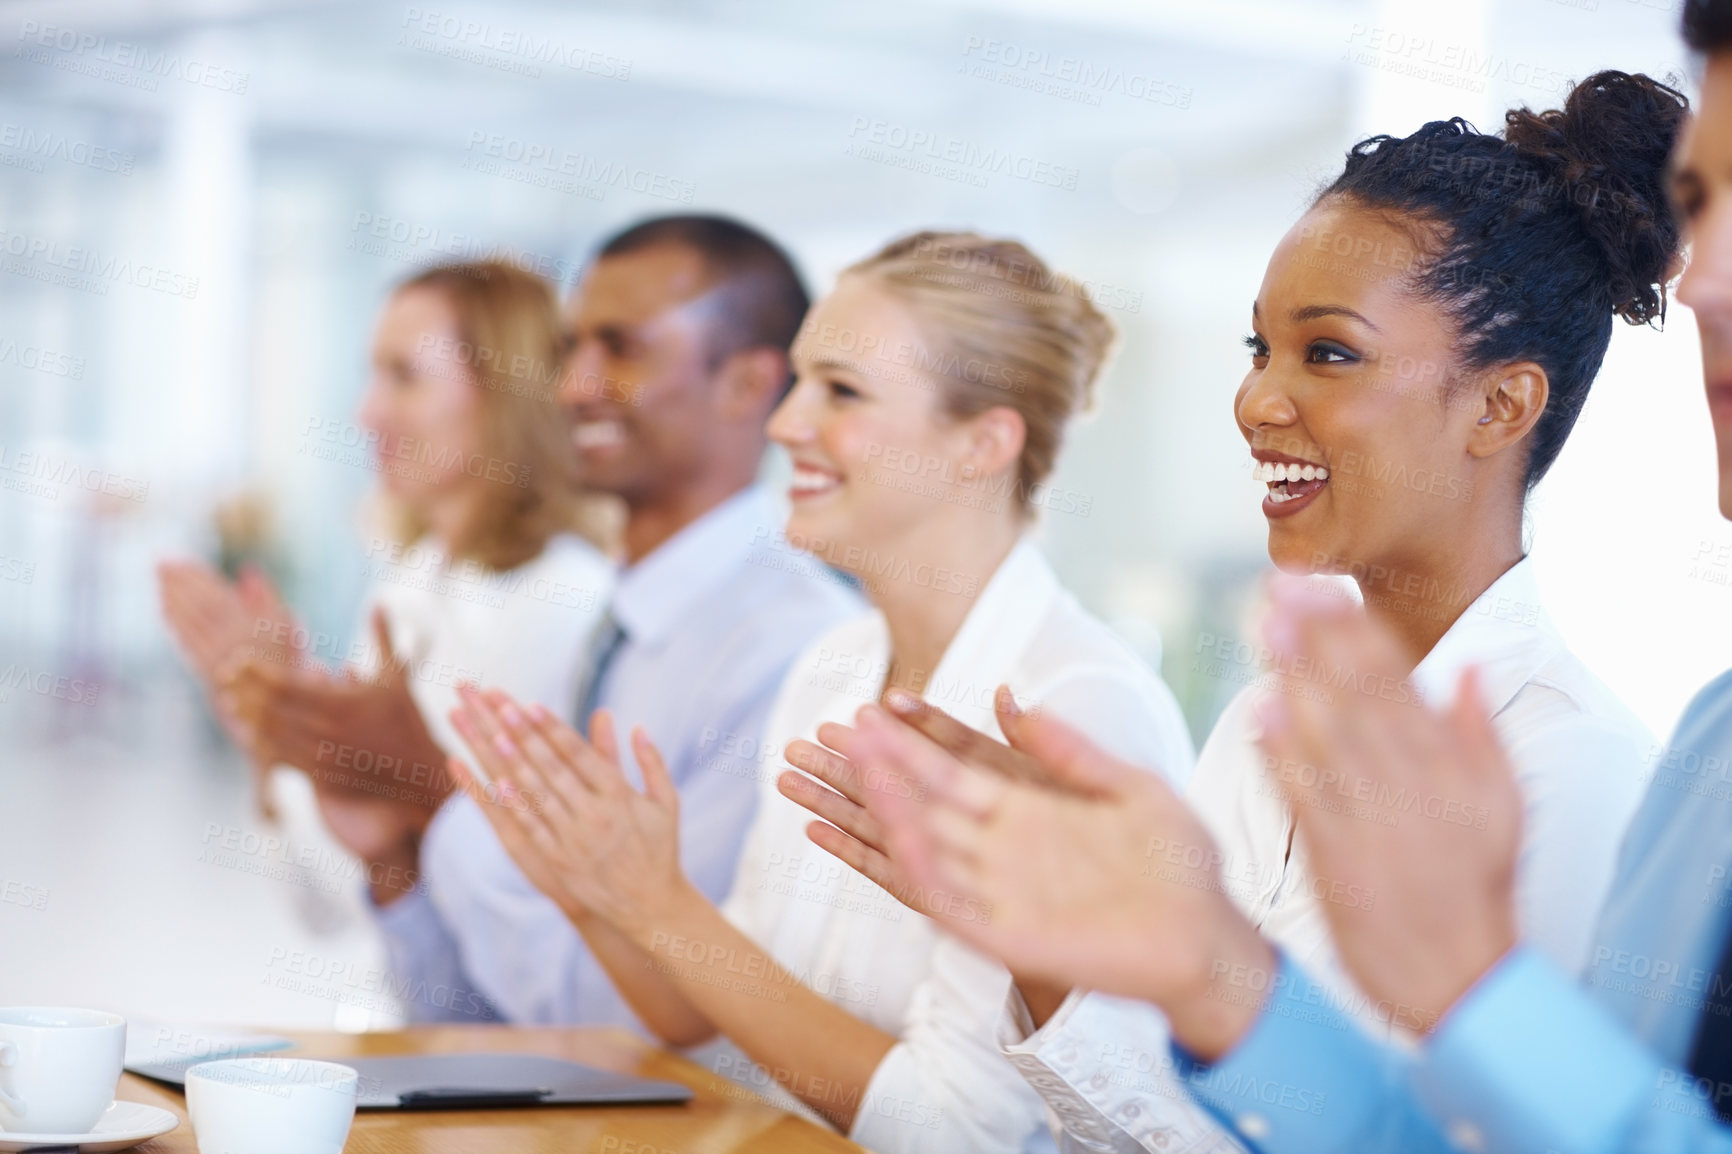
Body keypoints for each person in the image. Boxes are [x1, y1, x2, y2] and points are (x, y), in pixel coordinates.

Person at [782, 70, 1682, 1154]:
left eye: (1329, 352)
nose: (1257, 400)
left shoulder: (1571, 770)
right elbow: (1156, 1127)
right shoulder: (1269, 722)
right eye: (1259, 348)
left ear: (1499, 404)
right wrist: (1037, 934)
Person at [442, 231, 1196, 1152]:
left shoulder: (1075, 711)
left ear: (984, 442)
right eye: (799, 383)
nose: (786, 423)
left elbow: (959, 1129)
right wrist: (603, 885)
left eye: (840, 391)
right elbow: (717, 1015)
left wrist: (664, 912)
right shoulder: (832, 670)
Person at [370, 216, 864, 1025]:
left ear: (746, 385)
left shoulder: (792, 654)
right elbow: (484, 1017)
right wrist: (393, 845)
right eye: (571, 349)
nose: (573, 386)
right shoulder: (608, 620)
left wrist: (435, 802)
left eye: (622, 349)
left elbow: (645, 1015)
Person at [161, 259, 615, 938]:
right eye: (373, 375)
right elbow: (328, 905)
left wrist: (318, 751)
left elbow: (504, 905)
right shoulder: (414, 574)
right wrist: (273, 727)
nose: (366, 412)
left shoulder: (562, 599)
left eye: (404, 376)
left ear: (505, 394)